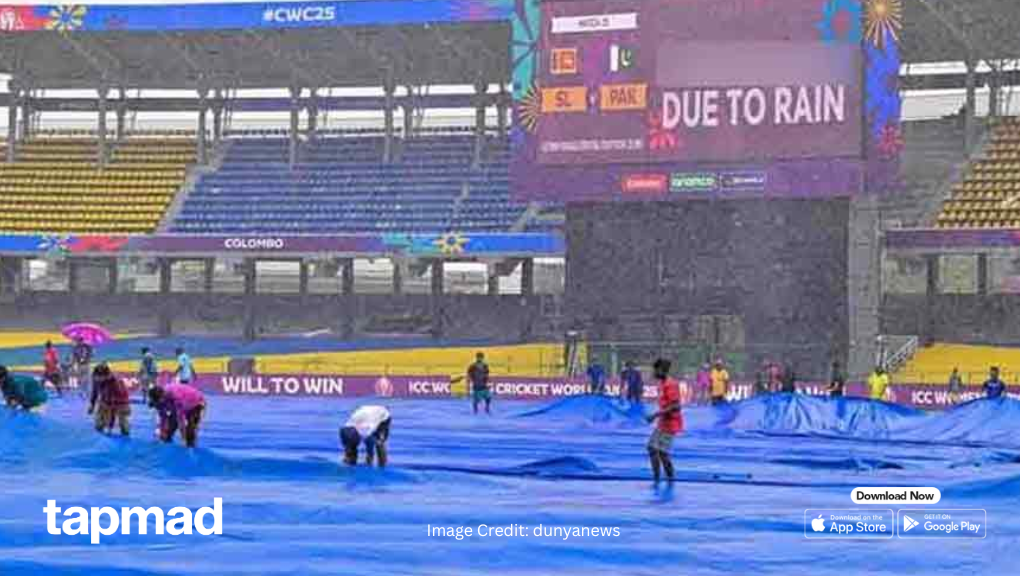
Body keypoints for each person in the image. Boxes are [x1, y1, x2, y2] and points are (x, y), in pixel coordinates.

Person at [645, 358, 682, 483]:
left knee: (662, 452)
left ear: (661, 370)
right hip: (663, 423)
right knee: (652, 448)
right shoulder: (662, 384)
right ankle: (656, 477)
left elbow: (676, 406)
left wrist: (655, 415)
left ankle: (670, 478)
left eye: (655, 370)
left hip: (671, 423)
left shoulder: (671, 384)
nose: (654, 372)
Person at [149, 383, 206, 448]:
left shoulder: (176, 396)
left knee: (190, 431)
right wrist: (162, 433)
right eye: (155, 402)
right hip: (179, 403)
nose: (157, 404)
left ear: (162, 396)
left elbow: (181, 421)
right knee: (167, 432)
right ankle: (167, 441)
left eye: (158, 401)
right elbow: (163, 417)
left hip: (196, 403)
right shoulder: (158, 401)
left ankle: (190, 446)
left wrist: (183, 439)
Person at [88, 363, 130, 436]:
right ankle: (100, 425)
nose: (97, 379)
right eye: (96, 376)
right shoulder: (96, 380)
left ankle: (124, 430)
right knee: (99, 423)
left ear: (105, 376)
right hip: (106, 400)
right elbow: (94, 392)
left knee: (123, 421)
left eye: (100, 376)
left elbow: (113, 407)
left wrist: (110, 427)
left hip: (120, 400)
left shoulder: (113, 382)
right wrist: (92, 404)